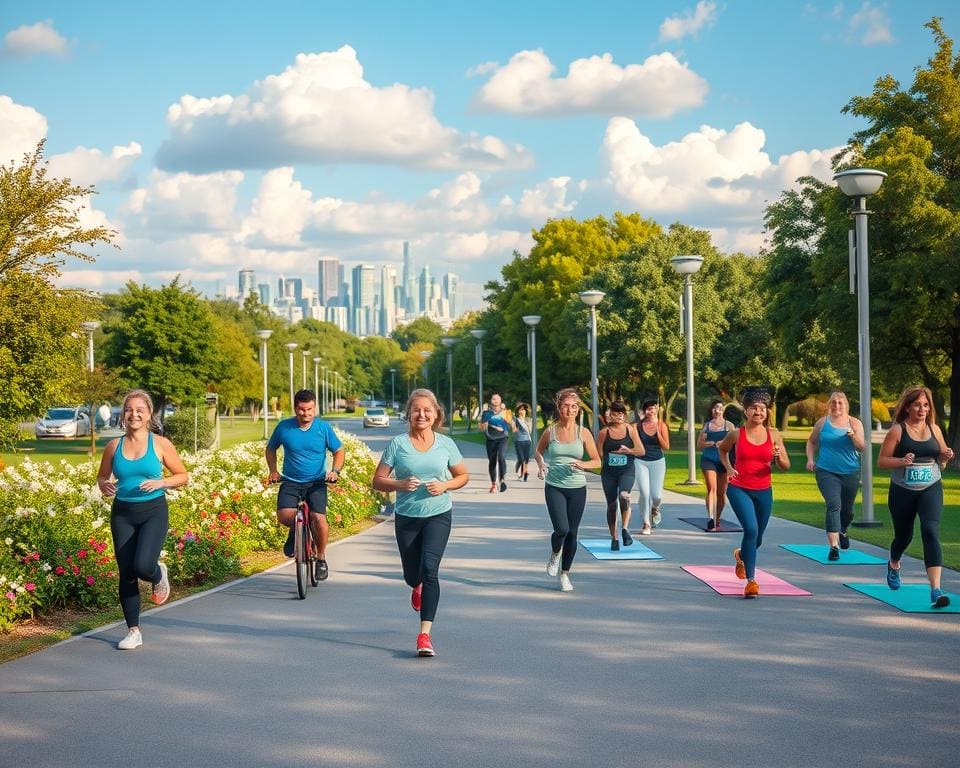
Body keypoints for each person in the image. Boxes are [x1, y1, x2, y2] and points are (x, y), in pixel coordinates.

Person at [373, 389, 469, 656]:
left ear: (436, 414)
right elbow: (377, 480)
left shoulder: (446, 444)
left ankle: (424, 636)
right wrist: (399, 484)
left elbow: (462, 476)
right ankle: (416, 586)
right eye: (416, 410)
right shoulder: (398, 444)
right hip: (407, 517)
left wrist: (445, 484)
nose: (422, 415)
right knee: (412, 575)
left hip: (439, 513)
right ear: (409, 414)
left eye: (427, 410)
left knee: (430, 570)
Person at [96, 389, 189, 650]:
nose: (133, 414)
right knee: (126, 573)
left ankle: (158, 573)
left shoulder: (160, 444)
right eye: (128, 410)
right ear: (123, 415)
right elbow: (102, 477)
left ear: (149, 414)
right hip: (122, 513)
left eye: (139, 410)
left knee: (142, 566)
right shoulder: (113, 446)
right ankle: (133, 630)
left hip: (153, 512)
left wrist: (162, 482)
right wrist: (104, 486)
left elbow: (182, 475)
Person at [877, 385, 955, 608]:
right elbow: (882, 461)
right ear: (908, 407)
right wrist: (901, 461)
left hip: (931, 487)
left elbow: (941, 458)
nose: (923, 409)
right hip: (902, 491)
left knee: (930, 531)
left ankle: (936, 590)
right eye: (918, 405)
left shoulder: (935, 429)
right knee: (904, 537)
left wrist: (946, 455)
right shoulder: (897, 431)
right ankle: (894, 562)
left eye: (926, 405)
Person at [266, 389, 345, 583]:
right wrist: (273, 471)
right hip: (291, 480)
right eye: (302, 410)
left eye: (310, 409)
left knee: (318, 518)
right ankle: (296, 530)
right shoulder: (284, 428)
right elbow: (270, 448)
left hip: (317, 482)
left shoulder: (323, 428)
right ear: (295, 408)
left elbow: (339, 450)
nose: (306, 414)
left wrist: (335, 470)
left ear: (315, 408)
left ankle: (321, 559)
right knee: (285, 516)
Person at [718, 387, 790, 598]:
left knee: (757, 538)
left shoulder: (774, 434)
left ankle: (741, 555)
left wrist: (777, 458)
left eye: (762, 409)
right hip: (739, 488)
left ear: (767, 412)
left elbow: (785, 466)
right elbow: (722, 449)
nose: (759, 412)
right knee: (750, 530)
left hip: (764, 490)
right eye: (754, 408)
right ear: (746, 411)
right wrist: (729, 468)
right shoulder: (736, 434)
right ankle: (751, 581)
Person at [534, 388, 602, 591]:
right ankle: (555, 553)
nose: (570, 410)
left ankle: (565, 574)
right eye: (566, 406)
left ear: (578, 410)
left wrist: (583, 465)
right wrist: (541, 464)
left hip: (577, 488)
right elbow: (538, 451)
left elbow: (597, 461)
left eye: (574, 406)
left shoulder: (584, 433)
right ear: (559, 407)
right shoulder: (551, 431)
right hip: (554, 486)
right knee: (561, 529)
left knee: (572, 533)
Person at [805, 391, 865, 560]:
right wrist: (810, 459)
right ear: (829, 405)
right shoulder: (822, 423)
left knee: (848, 511)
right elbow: (811, 442)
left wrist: (853, 435)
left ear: (846, 405)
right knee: (833, 504)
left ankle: (843, 530)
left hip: (850, 472)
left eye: (840, 403)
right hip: (826, 471)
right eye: (833, 402)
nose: (837, 405)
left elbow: (861, 447)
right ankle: (834, 547)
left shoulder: (854, 423)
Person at [598, 401, 644, 550]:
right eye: (615, 413)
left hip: (626, 471)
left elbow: (641, 450)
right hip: (609, 473)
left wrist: (628, 451)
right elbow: (597, 453)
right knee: (612, 505)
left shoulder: (630, 430)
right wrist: (607, 458)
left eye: (621, 413)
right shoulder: (604, 432)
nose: (618, 416)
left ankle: (624, 529)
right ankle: (614, 538)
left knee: (624, 496)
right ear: (610, 415)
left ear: (624, 415)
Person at [634, 398, 670, 534]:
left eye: (653, 408)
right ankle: (646, 523)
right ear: (644, 411)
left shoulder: (662, 425)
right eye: (648, 409)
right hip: (640, 461)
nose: (651, 411)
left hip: (657, 461)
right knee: (644, 492)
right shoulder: (638, 426)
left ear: (657, 410)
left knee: (656, 496)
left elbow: (666, 447)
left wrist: (658, 433)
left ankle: (655, 508)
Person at [697, 399, 734, 530]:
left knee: (721, 493)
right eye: (713, 408)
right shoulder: (707, 426)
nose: (716, 410)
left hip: (723, 461)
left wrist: (723, 444)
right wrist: (711, 444)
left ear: (723, 410)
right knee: (711, 488)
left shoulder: (729, 426)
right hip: (708, 458)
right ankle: (711, 518)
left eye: (718, 407)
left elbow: (734, 445)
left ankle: (717, 517)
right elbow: (699, 445)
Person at [480, 392, 514, 493]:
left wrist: (507, 422)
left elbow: (510, 424)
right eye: (493, 398)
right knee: (492, 461)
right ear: (491, 401)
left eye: (497, 398)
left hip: (503, 438)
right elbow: (481, 427)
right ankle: (494, 484)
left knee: (501, 457)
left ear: (500, 401)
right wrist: (485, 425)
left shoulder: (506, 412)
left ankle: (502, 480)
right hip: (490, 438)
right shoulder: (486, 413)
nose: (495, 400)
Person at [513, 402, 534, 481]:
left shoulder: (528, 420)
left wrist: (526, 422)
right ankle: (518, 470)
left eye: (524, 410)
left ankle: (525, 472)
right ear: (518, 411)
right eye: (521, 409)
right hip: (518, 441)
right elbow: (514, 430)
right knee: (521, 459)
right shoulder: (515, 419)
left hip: (527, 440)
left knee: (526, 458)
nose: (522, 411)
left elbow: (530, 431)